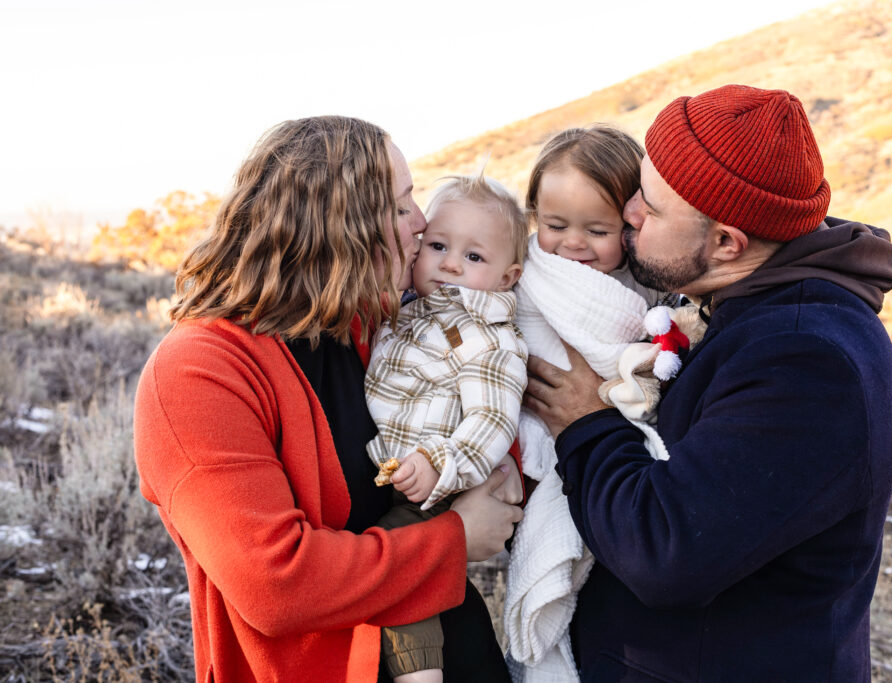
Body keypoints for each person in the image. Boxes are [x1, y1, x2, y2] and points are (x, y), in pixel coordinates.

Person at [523, 85, 892, 681]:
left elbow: (665, 550)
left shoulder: (806, 360)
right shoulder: (735, 304)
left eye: (649, 206)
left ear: (727, 242)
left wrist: (583, 425)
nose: (628, 214)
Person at [133, 116, 523, 683]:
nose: (420, 223)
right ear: (334, 228)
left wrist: (502, 468)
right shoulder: (199, 374)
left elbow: (475, 389)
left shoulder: (374, 324)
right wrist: (455, 538)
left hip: (453, 652)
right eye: (399, 206)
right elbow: (277, 584)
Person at [503, 125, 689, 682]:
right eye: (555, 226)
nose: (573, 245)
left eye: (597, 230)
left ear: (633, 224)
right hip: (536, 448)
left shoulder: (653, 284)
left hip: (611, 458)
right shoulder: (528, 276)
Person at [364, 173, 530, 683]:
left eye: (474, 257)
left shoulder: (485, 338)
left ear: (508, 276)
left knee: (401, 560)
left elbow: (491, 419)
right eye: (438, 245)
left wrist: (440, 462)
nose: (451, 263)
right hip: (398, 469)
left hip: (436, 482)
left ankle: (421, 673)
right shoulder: (407, 314)